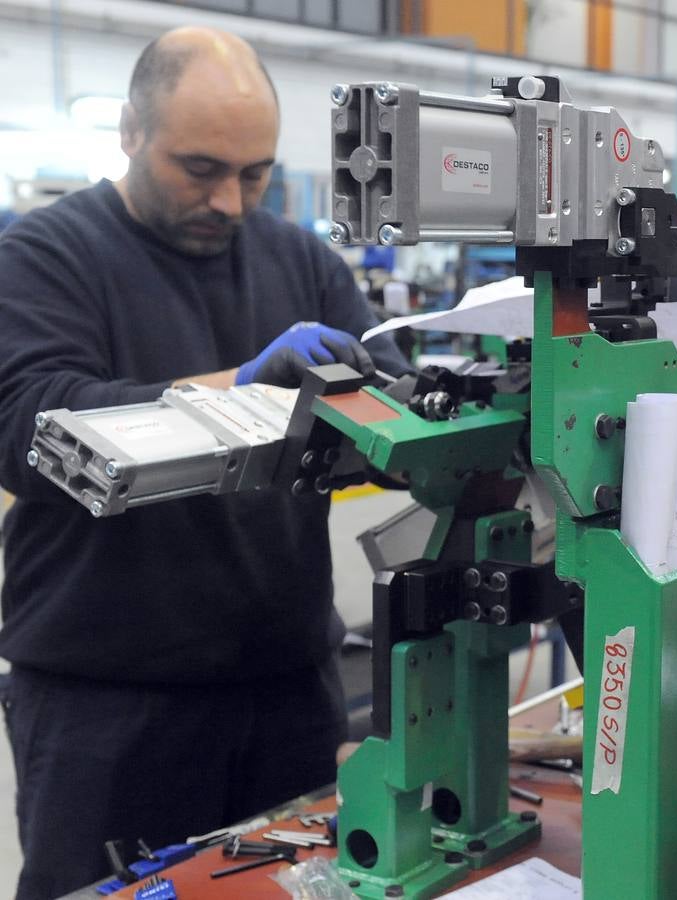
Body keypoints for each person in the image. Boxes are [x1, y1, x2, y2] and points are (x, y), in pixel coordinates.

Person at [0, 27, 410, 898]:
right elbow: (29, 428)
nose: (229, 200)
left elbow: (397, 405)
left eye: (254, 174)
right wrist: (238, 390)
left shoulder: (301, 259)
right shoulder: (45, 255)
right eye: (200, 169)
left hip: (287, 692)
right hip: (107, 705)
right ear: (130, 132)